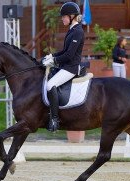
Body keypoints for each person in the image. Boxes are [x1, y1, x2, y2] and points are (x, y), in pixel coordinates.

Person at [42, 2, 84, 132]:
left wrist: (54, 61)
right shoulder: (71, 30)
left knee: (50, 85)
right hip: (65, 66)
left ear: (72, 16)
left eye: (64, 16)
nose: (62, 19)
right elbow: (64, 51)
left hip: (70, 68)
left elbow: (70, 55)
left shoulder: (78, 32)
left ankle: (55, 119)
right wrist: (52, 56)